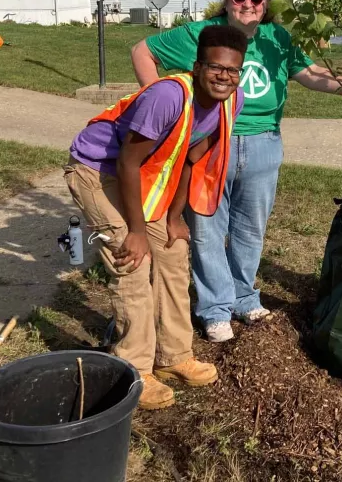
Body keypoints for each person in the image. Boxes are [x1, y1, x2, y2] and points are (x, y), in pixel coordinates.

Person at [131, 0, 342, 342]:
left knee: (251, 227)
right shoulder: (204, 34)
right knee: (206, 226)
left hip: (264, 142)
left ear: (266, 4)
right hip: (212, 141)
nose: (248, 4)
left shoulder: (278, 38)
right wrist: (162, 100)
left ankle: (244, 298)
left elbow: (311, 74)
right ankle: (215, 308)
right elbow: (143, 50)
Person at [66, 25, 248, 410]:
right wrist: (134, 230)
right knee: (132, 262)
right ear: (198, 67)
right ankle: (135, 370)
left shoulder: (232, 100)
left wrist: (173, 217)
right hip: (98, 172)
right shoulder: (168, 95)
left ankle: (174, 357)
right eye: (216, 68)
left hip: (146, 178)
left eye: (233, 71)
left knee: (172, 254)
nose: (224, 77)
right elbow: (127, 160)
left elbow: (189, 157)